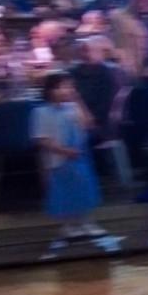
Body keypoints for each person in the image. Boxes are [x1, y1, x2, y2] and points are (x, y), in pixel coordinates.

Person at [32, 72, 104, 239]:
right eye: (63, 87)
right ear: (51, 90)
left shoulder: (73, 108)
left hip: (80, 156)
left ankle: (87, 222)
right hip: (59, 158)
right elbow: (42, 139)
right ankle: (68, 225)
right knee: (63, 191)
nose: (68, 90)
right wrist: (63, 150)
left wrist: (79, 101)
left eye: (70, 87)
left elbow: (88, 123)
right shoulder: (41, 112)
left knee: (84, 187)